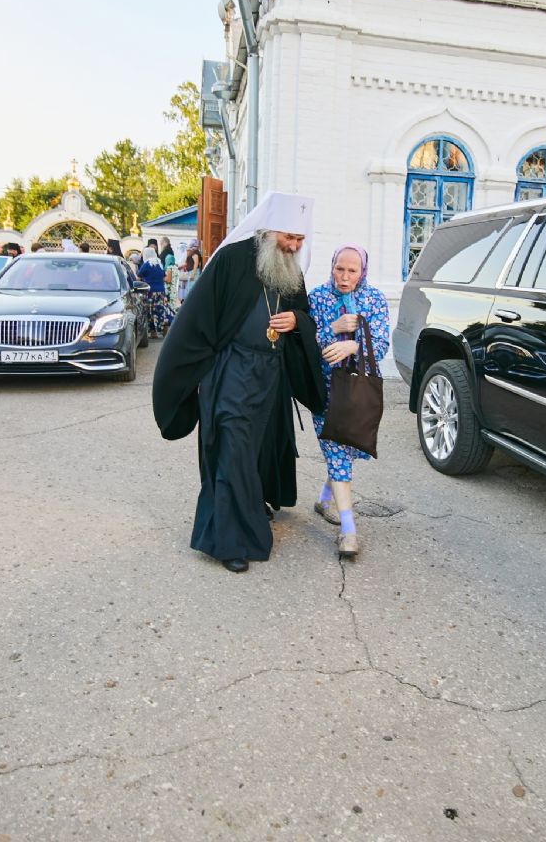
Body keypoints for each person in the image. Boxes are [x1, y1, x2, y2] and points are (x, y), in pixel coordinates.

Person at [152, 192, 327, 574]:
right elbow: (196, 319)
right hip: (231, 372)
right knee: (231, 450)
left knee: (259, 448)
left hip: (271, 377)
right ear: (268, 231)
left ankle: (252, 504)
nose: (295, 246)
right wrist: (192, 375)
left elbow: (303, 314)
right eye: (289, 237)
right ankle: (228, 542)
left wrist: (296, 322)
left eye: (300, 239)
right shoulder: (231, 260)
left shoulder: (291, 270)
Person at [307, 244, 391, 559]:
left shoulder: (374, 299)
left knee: (347, 447)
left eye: (351, 271)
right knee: (336, 449)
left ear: (362, 272)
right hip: (325, 388)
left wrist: (352, 346)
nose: (344, 276)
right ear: (332, 267)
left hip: (357, 389)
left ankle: (323, 500)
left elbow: (380, 345)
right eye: (339, 269)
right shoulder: (317, 297)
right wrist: (333, 328)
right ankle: (348, 530)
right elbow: (303, 342)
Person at [137, 246, 172, 338]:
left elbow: (138, 276)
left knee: (151, 312)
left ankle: (153, 332)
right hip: (161, 291)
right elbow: (164, 275)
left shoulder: (147, 264)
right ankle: (164, 328)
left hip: (150, 292)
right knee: (161, 310)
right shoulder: (159, 263)